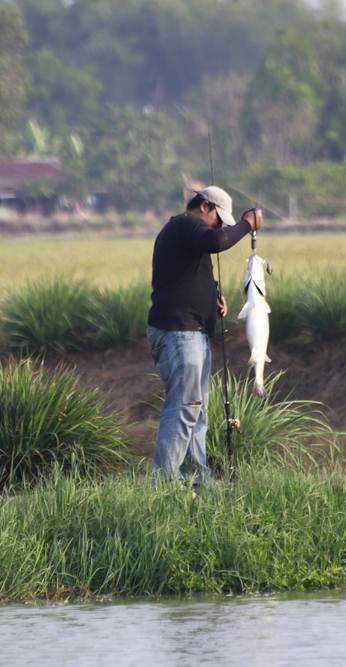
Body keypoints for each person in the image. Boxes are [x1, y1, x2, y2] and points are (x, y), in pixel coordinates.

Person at [147, 185, 263, 485]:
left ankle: (198, 481)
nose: (220, 227)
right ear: (204, 207)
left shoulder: (187, 234)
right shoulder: (186, 225)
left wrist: (213, 301)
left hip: (192, 333)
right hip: (179, 333)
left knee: (196, 412)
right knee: (185, 407)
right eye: (219, 219)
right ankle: (163, 486)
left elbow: (190, 277)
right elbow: (216, 241)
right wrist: (246, 224)